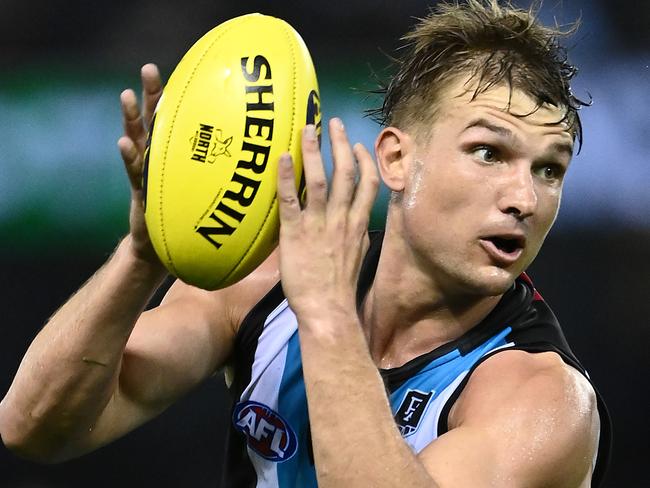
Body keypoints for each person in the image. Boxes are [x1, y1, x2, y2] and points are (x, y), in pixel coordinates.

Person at [0, 1, 611, 486]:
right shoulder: (266, 288)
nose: (524, 199)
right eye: (489, 152)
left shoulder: (544, 403)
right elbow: (34, 428)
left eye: (549, 170)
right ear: (397, 159)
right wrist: (143, 254)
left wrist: (326, 318)